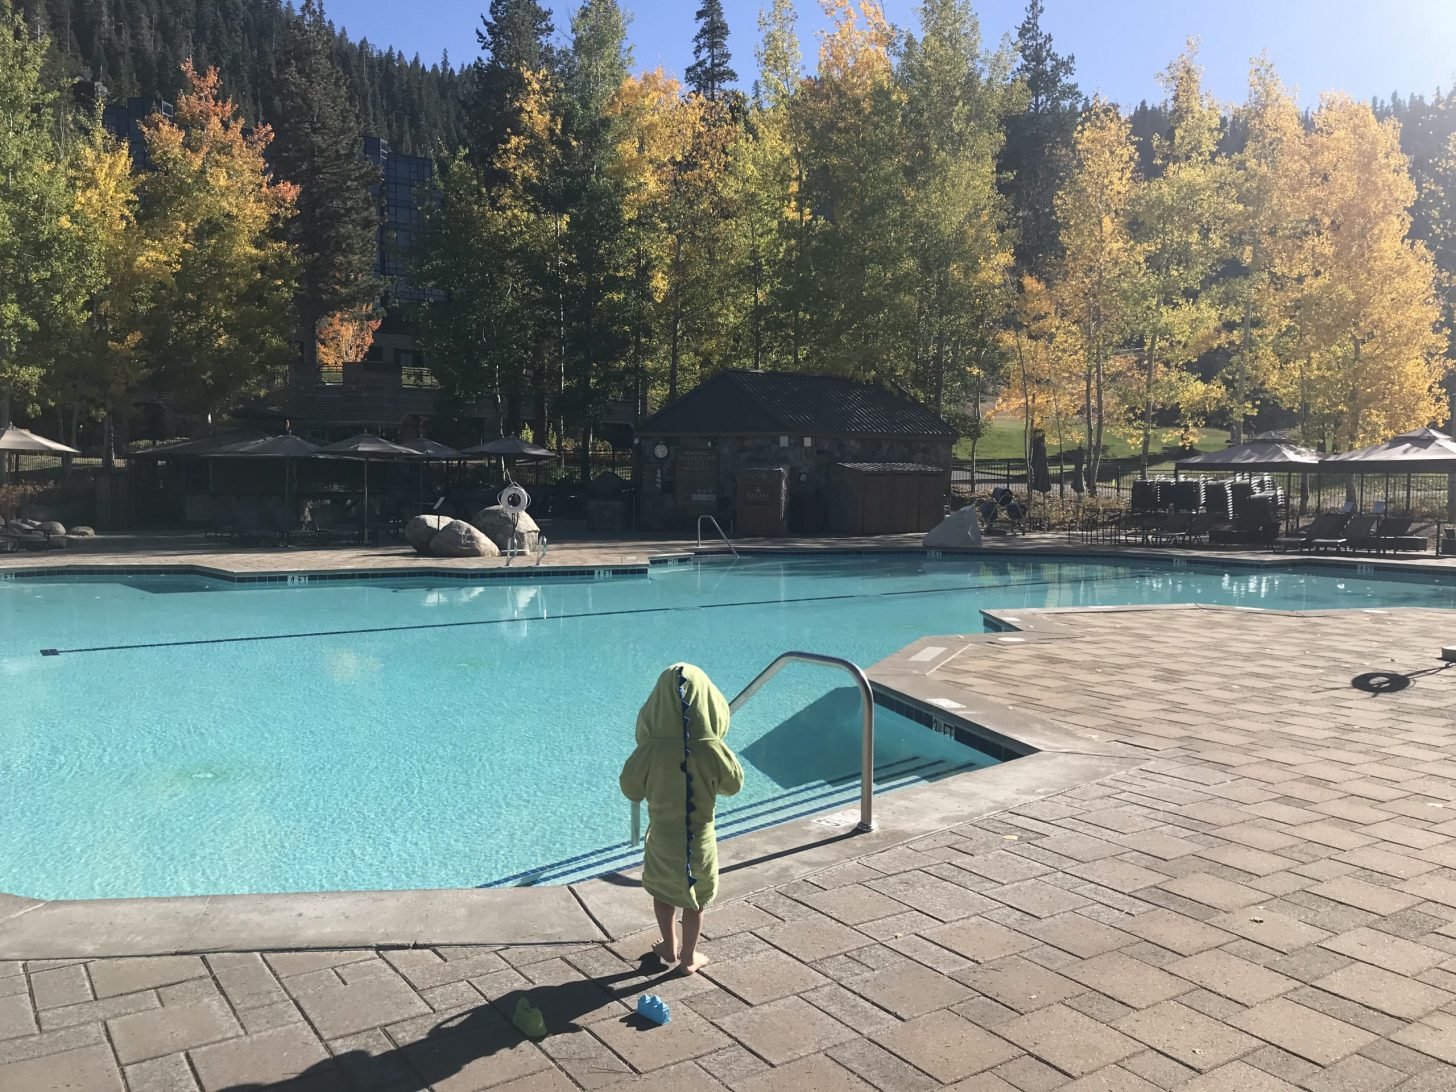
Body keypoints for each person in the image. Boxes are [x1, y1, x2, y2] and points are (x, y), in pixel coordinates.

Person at [620, 663, 744, 975]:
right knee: (695, 899)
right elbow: (734, 785)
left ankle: (668, 946)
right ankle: (689, 957)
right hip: (699, 839)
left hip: (662, 836)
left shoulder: (650, 749)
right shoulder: (712, 748)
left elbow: (629, 786)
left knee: (663, 892)